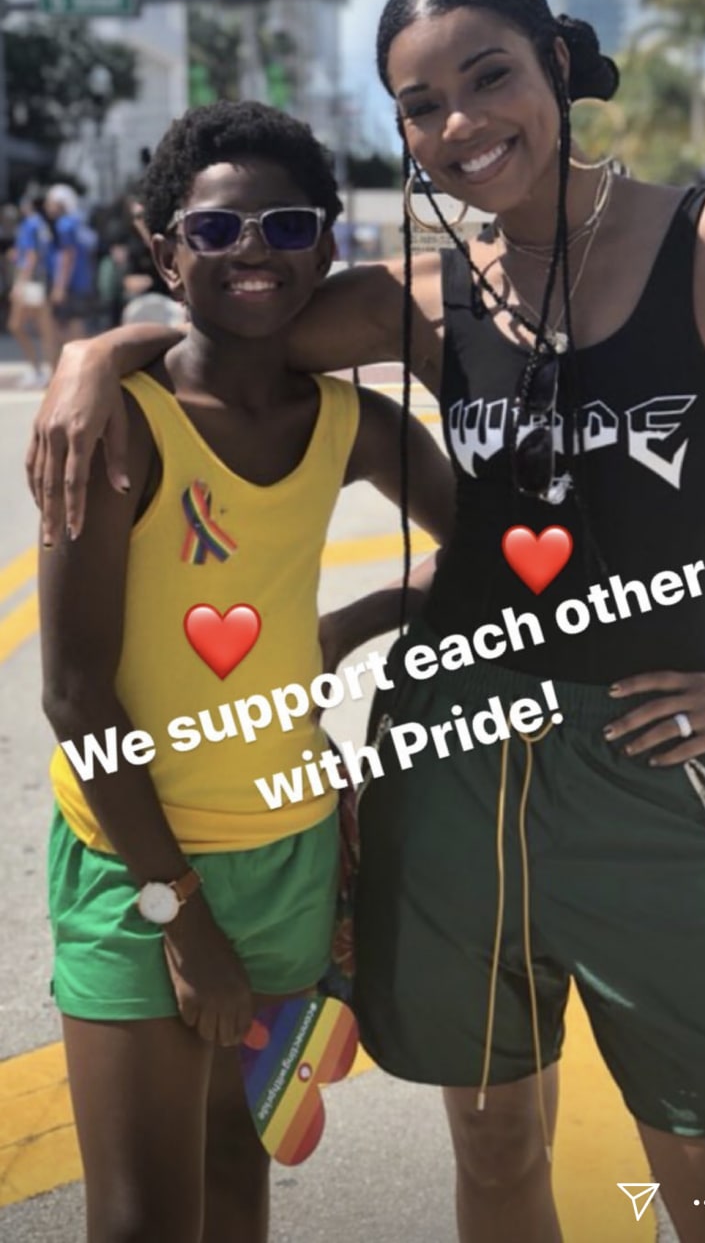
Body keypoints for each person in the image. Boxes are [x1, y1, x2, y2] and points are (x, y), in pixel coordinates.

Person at [27, 0, 705, 1243]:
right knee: (489, 1146)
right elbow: (229, 320)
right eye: (419, 107)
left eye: (488, 76)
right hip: (451, 758)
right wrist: (95, 353)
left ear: (556, 66)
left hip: (657, 762)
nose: (459, 125)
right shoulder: (417, 293)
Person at [38, 99, 454, 1243]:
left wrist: (358, 619)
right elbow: (73, 693)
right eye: (215, 233)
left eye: (285, 226)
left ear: (326, 245)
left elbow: (490, 551)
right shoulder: (116, 424)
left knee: (236, 1174)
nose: (253, 252)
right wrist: (181, 920)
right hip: (138, 871)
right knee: (139, 1221)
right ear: (165, 250)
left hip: (290, 850)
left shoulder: (350, 425)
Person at [8, 193, 56, 387]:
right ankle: (48, 372)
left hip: (31, 283)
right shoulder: (42, 225)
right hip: (41, 282)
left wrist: (19, 284)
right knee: (43, 329)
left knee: (18, 325)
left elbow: (31, 257)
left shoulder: (29, 225)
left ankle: (38, 371)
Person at [45, 184, 97, 353]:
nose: (47, 206)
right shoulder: (78, 222)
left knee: (65, 331)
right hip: (81, 282)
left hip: (70, 285)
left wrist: (59, 287)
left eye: (50, 202)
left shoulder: (64, 225)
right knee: (77, 326)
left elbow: (67, 256)